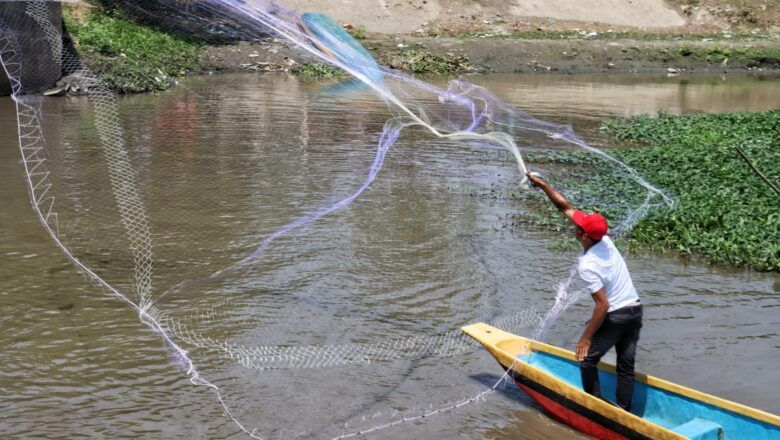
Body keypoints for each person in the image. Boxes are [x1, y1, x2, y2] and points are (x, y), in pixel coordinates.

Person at [526, 171, 642, 412]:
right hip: (635, 310)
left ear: (582, 235)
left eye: (579, 226)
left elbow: (603, 305)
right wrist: (542, 184)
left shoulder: (588, 264)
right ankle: (623, 410)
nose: (575, 224)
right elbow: (564, 206)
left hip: (618, 315)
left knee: (586, 358)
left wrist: (585, 338)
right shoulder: (605, 241)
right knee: (625, 366)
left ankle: (594, 409)